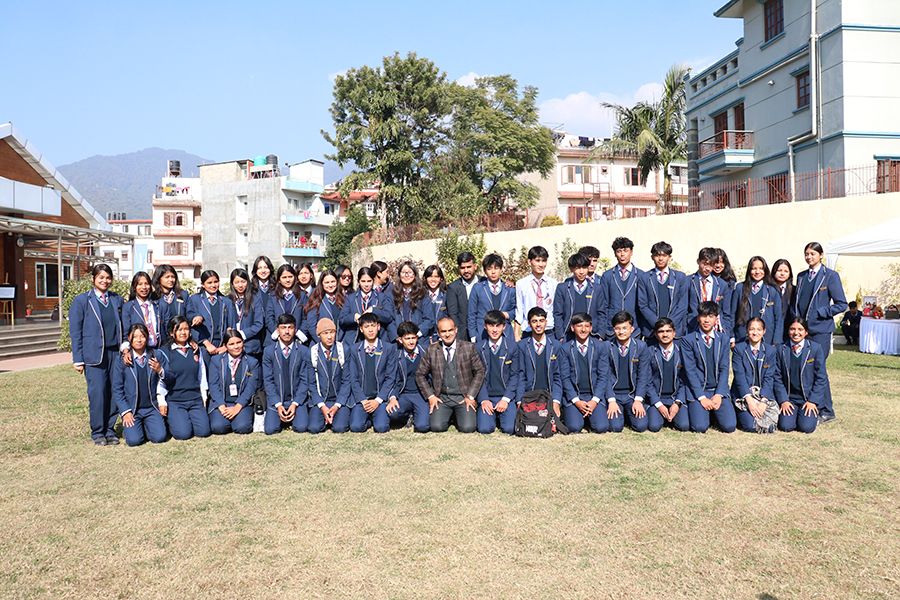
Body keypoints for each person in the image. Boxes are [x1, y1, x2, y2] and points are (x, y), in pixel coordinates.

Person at [791, 241, 847, 424]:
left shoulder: (830, 276)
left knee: (818, 369)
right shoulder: (801, 276)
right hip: (802, 331)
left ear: (821, 255)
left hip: (820, 331)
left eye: (812, 254)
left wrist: (821, 312)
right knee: (805, 369)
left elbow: (842, 304)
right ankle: (810, 405)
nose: (809, 257)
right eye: (806, 254)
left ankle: (826, 410)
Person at [69, 264, 125, 446]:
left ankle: (110, 429)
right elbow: (75, 332)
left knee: (114, 392)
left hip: (115, 354)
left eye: (108, 277)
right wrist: (78, 359)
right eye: (101, 277)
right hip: (94, 355)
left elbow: (123, 325)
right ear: (93, 279)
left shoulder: (117, 300)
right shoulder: (82, 301)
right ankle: (98, 431)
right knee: (98, 393)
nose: (105, 281)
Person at [416, 316, 486, 433]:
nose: (447, 334)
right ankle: (449, 415)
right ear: (438, 333)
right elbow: (420, 374)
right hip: (442, 398)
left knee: (468, 428)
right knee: (437, 427)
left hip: (463, 397)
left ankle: (458, 415)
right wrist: (431, 396)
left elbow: (480, 371)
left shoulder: (469, 347)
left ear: (456, 330)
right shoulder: (432, 350)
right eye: (443, 331)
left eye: (450, 330)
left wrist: (471, 396)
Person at [681, 301, 737, 433]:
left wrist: (719, 394)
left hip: (717, 389)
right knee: (700, 427)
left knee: (729, 426)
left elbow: (724, 368)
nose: (707, 320)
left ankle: (714, 413)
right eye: (703, 316)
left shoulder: (723, 339)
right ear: (698, 318)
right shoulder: (688, 340)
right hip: (699, 390)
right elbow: (690, 371)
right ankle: (704, 412)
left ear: (716, 319)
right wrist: (701, 397)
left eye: (711, 316)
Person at [156, 316, 211, 440]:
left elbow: (201, 374)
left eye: (186, 329)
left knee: (204, 431)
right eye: (179, 329)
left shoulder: (195, 349)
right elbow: (160, 379)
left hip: (195, 399)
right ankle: (173, 420)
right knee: (183, 434)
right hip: (175, 400)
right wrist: (161, 400)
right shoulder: (164, 352)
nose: (183, 332)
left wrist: (204, 395)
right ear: (172, 333)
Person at [113, 323, 167, 446]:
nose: (139, 340)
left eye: (142, 336)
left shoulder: (156, 355)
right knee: (134, 441)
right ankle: (132, 430)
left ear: (147, 337)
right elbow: (117, 389)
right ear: (129, 338)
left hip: (151, 407)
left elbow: (170, 377)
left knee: (159, 437)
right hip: (133, 409)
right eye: (135, 337)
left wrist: (160, 370)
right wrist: (125, 411)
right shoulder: (122, 360)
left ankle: (148, 426)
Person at [346, 313, 399, 432]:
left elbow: (390, 378)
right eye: (366, 327)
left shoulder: (388, 348)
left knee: (381, 428)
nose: (370, 330)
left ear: (378, 327)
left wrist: (378, 400)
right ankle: (369, 420)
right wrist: (363, 400)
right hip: (362, 399)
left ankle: (377, 417)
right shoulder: (354, 349)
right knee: (356, 427)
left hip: (380, 398)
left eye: (373, 326)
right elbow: (353, 379)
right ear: (361, 329)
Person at [774, 318, 826, 433]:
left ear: (806, 332)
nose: (796, 332)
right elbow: (777, 377)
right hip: (789, 398)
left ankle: (812, 416)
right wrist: (783, 400)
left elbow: (821, 378)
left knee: (806, 427)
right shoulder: (780, 349)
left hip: (807, 398)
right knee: (785, 426)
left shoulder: (815, 349)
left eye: (800, 329)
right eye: (792, 329)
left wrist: (812, 400)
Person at [560, 312, 609, 433]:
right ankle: (577, 415)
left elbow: (603, 376)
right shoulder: (565, 349)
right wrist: (576, 401)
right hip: (575, 396)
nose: (583, 329)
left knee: (601, 427)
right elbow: (565, 378)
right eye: (579, 326)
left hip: (593, 395)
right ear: (572, 328)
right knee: (574, 427)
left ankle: (590, 417)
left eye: (587, 326)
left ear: (591, 328)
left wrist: (594, 400)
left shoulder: (600, 347)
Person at [602, 311, 651, 432]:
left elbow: (643, 376)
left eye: (625, 328)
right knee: (615, 427)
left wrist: (638, 400)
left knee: (641, 426)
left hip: (631, 395)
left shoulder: (641, 346)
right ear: (613, 330)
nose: (621, 332)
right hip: (614, 395)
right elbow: (604, 376)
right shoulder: (607, 346)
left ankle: (630, 413)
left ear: (631, 329)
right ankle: (620, 414)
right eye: (617, 328)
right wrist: (611, 400)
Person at [262, 314, 310, 435]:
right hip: (277, 400)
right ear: (277, 330)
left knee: (301, 427)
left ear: (295, 329)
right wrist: (278, 404)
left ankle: (293, 415)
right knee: (270, 430)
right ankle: (280, 417)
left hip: (296, 400)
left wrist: (295, 403)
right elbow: (268, 381)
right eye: (283, 328)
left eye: (290, 327)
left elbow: (305, 381)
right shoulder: (269, 351)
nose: (287, 331)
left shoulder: (304, 351)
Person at [731, 318, 780, 433]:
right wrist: (749, 400)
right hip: (744, 395)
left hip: (762, 394)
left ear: (764, 331)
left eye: (759, 329)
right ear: (747, 331)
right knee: (750, 425)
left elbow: (769, 378)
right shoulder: (739, 349)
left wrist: (763, 401)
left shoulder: (770, 351)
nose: (755, 332)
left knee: (776, 420)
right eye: (752, 329)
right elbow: (739, 377)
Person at [475, 310, 520, 435]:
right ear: (485, 326)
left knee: (509, 429)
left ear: (504, 327)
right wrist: (484, 399)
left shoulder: (512, 347)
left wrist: (506, 399)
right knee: (485, 429)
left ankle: (503, 416)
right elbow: (477, 376)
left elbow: (515, 376)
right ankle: (491, 417)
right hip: (488, 397)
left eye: (498, 326)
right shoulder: (478, 348)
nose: (494, 330)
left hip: (505, 396)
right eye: (491, 325)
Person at [514, 307, 565, 414]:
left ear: (546, 322)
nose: (538, 324)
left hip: (549, 396)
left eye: (541, 321)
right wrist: (519, 400)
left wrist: (556, 401)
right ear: (529, 324)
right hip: (529, 397)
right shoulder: (522, 346)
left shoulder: (556, 346)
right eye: (534, 321)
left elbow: (558, 377)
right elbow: (520, 376)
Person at [207, 328, 257, 435]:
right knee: (218, 427)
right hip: (222, 403)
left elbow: (251, 387)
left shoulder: (252, 362)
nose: (236, 346)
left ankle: (238, 419)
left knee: (242, 427)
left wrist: (238, 407)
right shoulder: (216, 361)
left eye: (239, 342)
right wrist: (221, 406)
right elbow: (213, 385)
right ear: (225, 346)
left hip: (241, 403)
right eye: (231, 344)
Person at [307, 318, 352, 434]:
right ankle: (325, 419)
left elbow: (347, 381)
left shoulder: (343, 350)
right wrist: (322, 406)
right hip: (321, 400)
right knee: (314, 428)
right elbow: (311, 384)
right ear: (319, 335)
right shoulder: (312, 352)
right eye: (325, 333)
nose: (329, 336)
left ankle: (335, 417)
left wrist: (337, 405)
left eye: (332, 332)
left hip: (339, 400)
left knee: (340, 428)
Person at [637, 241, 689, 340]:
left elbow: (682, 305)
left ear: (669, 257)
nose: (660, 259)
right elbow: (642, 305)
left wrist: (669, 326)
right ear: (652, 257)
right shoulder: (644, 278)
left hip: (674, 330)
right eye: (657, 255)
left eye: (664, 255)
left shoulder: (680, 277)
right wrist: (657, 324)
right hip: (652, 330)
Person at [646, 318, 690, 432]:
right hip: (657, 398)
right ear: (656, 334)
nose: (665, 334)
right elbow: (647, 382)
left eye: (668, 331)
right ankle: (660, 414)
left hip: (675, 398)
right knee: (654, 426)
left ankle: (672, 415)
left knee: (684, 426)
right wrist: (658, 404)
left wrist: (677, 403)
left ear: (674, 333)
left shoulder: (682, 352)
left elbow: (685, 381)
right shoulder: (649, 352)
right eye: (661, 331)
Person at [386, 321, 431, 433]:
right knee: (393, 413)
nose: (411, 341)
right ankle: (408, 416)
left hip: (421, 394)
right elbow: (393, 379)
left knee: (422, 427)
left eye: (413, 338)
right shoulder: (396, 355)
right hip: (404, 394)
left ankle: (417, 415)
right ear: (400, 340)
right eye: (407, 338)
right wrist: (393, 398)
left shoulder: (426, 351)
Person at [597, 237, 643, 339]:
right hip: (612, 329)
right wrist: (604, 329)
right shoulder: (607, 276)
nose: (622, 254)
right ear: (615, 253)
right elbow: (603, 305)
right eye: (619, 251)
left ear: (631, 252)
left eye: (625, 250)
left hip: (634, 329)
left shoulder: (641, 275)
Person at [188, 270, 236, 368]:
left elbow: (231, 325)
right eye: (209, 283)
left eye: (216, 282)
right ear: (203, 284)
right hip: (203, 345)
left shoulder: (226, 302)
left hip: (222, 346)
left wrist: (225, 346)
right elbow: (191, 322)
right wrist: (206, 344)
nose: (213, 285)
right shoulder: (195, 299)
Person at [731, 256, 783, 345]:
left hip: (767, 338)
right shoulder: (740, 288)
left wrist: (776, 341)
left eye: (761, 268)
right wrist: (731, 337)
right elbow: (732, 314)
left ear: (765, 270)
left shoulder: (772, 290)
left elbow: (778, 318)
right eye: (754, 268)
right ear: (749, 270)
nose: (757, 272)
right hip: (743, 337)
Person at [339, 266, 395, 343]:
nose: (366, 284)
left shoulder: (382, 297)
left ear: (373, 280)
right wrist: (354, 317)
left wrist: (374, 310)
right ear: (358, 281)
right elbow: (342, 319)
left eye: (369, 281)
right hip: (355, 340)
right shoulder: (351, 298)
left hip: (377, 340)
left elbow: (389, 316)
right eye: (363, 281)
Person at [468, 253, 516, 343]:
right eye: (489, 269)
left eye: (496, 268)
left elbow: (517, 310)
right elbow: (471, 313)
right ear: (485, 271)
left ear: (501, 269)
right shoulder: (478, 288)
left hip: (505, 333)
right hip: (483, 333)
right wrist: (473, 335)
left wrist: (507, 314)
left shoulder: (510, 289)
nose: (493, 272)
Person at [553, 253, 600, 341]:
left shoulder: (597, 289)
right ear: (571, 269)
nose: (581, 272)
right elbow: (557, 313)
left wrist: (600, 335)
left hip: (591, 335)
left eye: (584, 267)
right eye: (578, 268)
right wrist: (560, 336)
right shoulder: (562, 288)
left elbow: (602, 313)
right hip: (568, 336)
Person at [687, 247, 732, 338]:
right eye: (705, 264)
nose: (707, 268)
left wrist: (727, 332)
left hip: (715, 330)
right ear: (698, 262)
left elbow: (726, 312)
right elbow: (684, 308)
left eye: (711, 265)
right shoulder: (688, 281)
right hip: (693, 328)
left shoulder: (722, 284)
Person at [515, 246, 557, 338]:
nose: (541, 264)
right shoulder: (521, 284)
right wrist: (516, 335)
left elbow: (556, 310)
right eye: (537, 261)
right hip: (529, 330)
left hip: (549, 331)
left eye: (544, 261)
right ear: (529, 262)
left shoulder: (554, 284)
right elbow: (519, 310)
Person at [265, 264, 308, 346]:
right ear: (279, 280)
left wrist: (299, 333)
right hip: (276, 339)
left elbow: (305, 318)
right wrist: (278, 332)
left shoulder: (302, 295)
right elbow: (269, 317)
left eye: (290, 277)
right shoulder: (273, 296)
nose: (288, 280)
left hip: (296, 338)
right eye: (284, 277)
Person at [229, 268, 265, 360]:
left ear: (248, 282)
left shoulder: (255, 299)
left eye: (243, 281)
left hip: (251, 346)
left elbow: (259, 323)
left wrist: (242, 334)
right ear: (232, 284)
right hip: (232, 347)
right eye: (236, 282)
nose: (240, 285)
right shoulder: (227, 300)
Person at [122, 271, 162, 351]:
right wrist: (126, 349)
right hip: (139, 351)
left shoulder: (158, 305)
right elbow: (126, 333)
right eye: (140, 284)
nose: (144, 287)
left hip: (158, 349)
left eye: (146, 284)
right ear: (134, 287)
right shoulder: (128, 307)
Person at [303, 270, 345, 344]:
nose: (330, 285)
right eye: (327, 282)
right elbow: (311, 326)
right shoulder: (316, 300)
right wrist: (323, 342)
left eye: (333, 282)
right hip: (320, 343)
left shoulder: (343, 299)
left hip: (340, 343)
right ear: (322, 283)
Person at [390, 261, 428, 341]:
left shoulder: (423, 293)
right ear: (399, 275)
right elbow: (389, 318)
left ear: (414, 275)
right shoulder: (392, 293)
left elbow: (429, 319)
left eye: (410, 272)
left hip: (419, 339)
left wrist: (416, 334)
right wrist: (396, 336)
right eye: (403, 272)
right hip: (399, 340)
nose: (406, 275)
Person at [152, 264, 189, 346]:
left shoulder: (183, 295)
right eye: (167, 277)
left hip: (180, 341)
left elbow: (189, 315)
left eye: (173, 277)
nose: (171, 280)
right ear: (159, 278)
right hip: (161, 343)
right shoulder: (153, 298)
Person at [446, 251, 482, 332]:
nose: (466, 270)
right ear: (459, 269)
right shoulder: (453, 288)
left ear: (475, 266)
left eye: (469, 267)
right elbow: (453, 314)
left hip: (484, 332)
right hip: (463, 333)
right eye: (462, 268)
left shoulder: (484, 282)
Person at [420, 265, 448, 342]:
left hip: (442, 337)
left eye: (436, 276)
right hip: (424, 338)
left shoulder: (446, 296)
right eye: (430, 276)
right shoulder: (420, 297)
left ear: (441, 279)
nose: (433, 279)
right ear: (425, 278)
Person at [771, 258, 794, 342]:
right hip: (771, 329)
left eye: (786, 271)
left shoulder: (794, 290)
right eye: (779, 270)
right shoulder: (768, 289)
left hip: (789, 330)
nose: (782, 273)